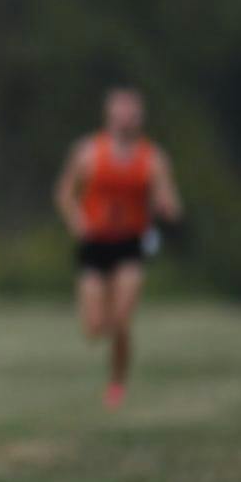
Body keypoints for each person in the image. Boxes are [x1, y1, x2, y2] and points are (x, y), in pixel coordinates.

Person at [54, 88, 183, 409]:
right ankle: (108, 336)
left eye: (132, 112)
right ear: (109, 115)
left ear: (140, 118)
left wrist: (166, 206)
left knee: (122, 321)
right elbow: (65, 193)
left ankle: (116, 383)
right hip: (94, 244)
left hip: (131, 245)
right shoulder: (87, 152)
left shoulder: (152, 158)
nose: (126, 118)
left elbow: (170, 201)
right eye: (120, 112)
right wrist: (76, 222)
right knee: (94, 329)